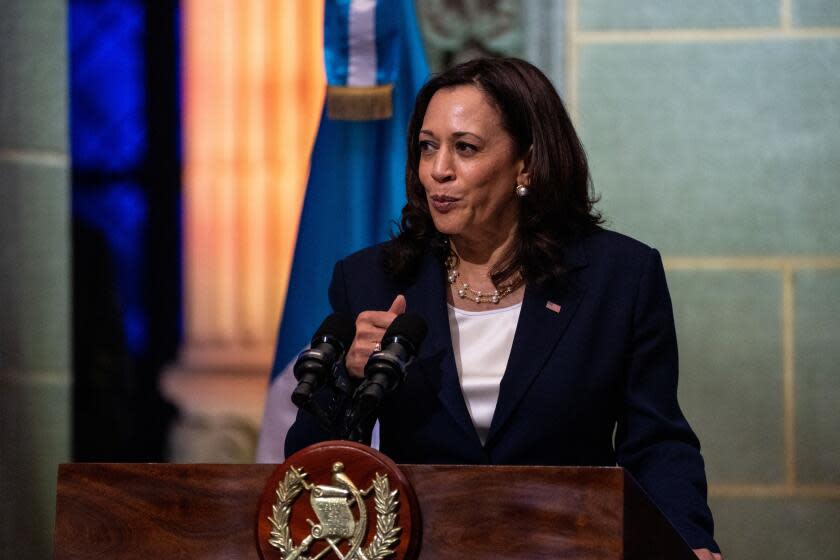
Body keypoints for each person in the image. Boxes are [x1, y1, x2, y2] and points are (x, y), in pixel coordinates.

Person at [285, 57, 721, 558]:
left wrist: (688, 541)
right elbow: (309, 465)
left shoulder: (618, 277)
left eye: (464, 148)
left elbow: (656, 442)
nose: (438, 171)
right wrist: (347, 378)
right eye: (428, 148)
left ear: (526, 164)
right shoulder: (372, 280)